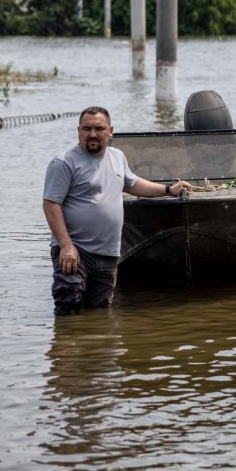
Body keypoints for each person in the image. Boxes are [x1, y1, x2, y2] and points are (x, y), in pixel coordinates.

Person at [43, 106, 191, 316]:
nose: (92, 134)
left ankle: (95, 348)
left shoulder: (117, 157)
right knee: (68, 309)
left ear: (110, 131)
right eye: (87, 129)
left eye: (99, 128)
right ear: (78, 131)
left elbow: (133, 184)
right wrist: (66, 246)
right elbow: (50, 204)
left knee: (99, 316)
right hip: (75, 252)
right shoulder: (64, 162)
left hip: (108, 253)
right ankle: (66, 347)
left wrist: (169, 189)